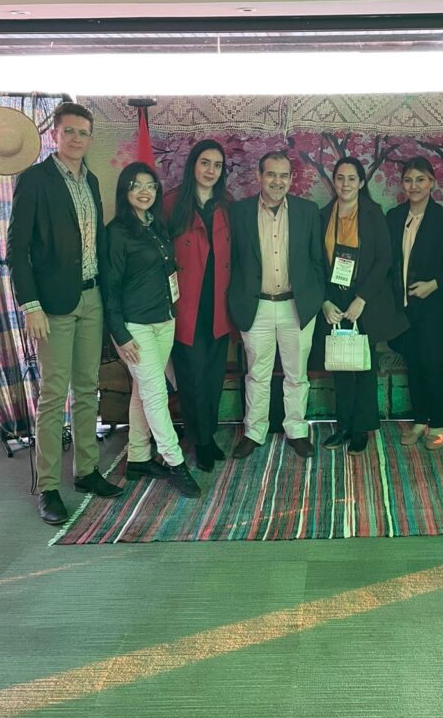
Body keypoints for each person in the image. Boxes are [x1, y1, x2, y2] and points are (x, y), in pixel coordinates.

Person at [7, 100, 123, 525]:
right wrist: (30, 305)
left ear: (90, 139)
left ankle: (87, 471)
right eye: (69, 131)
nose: (76, 138)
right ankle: (49, 486)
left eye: (83, 132)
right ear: (54, 134)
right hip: (52, 306)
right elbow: (16, 250)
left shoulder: (91, 180)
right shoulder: (35, 180)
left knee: (88, 387)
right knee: (54, 395)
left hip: (92, 299)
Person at [106, 163, 200, 498]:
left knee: (142, 391)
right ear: (125, 190)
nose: (144, 192)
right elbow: (110, 289)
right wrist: (121, 334)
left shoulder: (156, 225)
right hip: (135, 327)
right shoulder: (116, 232)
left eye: (150, 185)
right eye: (136, 185)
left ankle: (138, 457)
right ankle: (176, 461)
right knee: (156, 393)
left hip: (164, 321)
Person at [227, 150, 324, 459]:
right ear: (259, 176)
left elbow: (317, 260)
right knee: (257, 374)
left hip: (297, 306)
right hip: (256, 307)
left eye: (284, 175)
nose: (277, 181)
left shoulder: (308, 211)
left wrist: (315, 297)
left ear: (292, 179)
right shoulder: (239, 212)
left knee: (297, 374)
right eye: (271, 174)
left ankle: (296, 430)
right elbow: (232, 262)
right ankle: (254, 432)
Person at [321, 157, 408, 454]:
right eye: (340, 178)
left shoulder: (373, 214)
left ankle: (361, 429)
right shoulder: (323, 215)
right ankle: (343, 426)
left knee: (363, 366)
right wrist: (325, 301)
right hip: (334, 298)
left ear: (361, 182)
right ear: (334, 181)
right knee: (340, 365)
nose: (345, 184)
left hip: (364, 299)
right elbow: (316, 261)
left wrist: (362, 298)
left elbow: (384, 259)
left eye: (351, 178)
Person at [163, 140, 232, 472]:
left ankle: (210, 434)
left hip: (219, 306)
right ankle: (199, 440)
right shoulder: (171, 203)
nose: (210, 170)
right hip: (185, 306)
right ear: (193, 165)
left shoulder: (227, 205)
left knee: (214, 377)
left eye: (217, 165)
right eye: (205, 163)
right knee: (191, 377)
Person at [386, 157, 443, 449]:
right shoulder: (394, 216)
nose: (413, 186)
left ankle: (437, 425)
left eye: (420, 179)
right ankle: (418, 422)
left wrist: (435, 284)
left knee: (431, 366)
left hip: (434, 309)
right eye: (408, 180)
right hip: (404, 308)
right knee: (413, 365)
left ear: (432, 183)